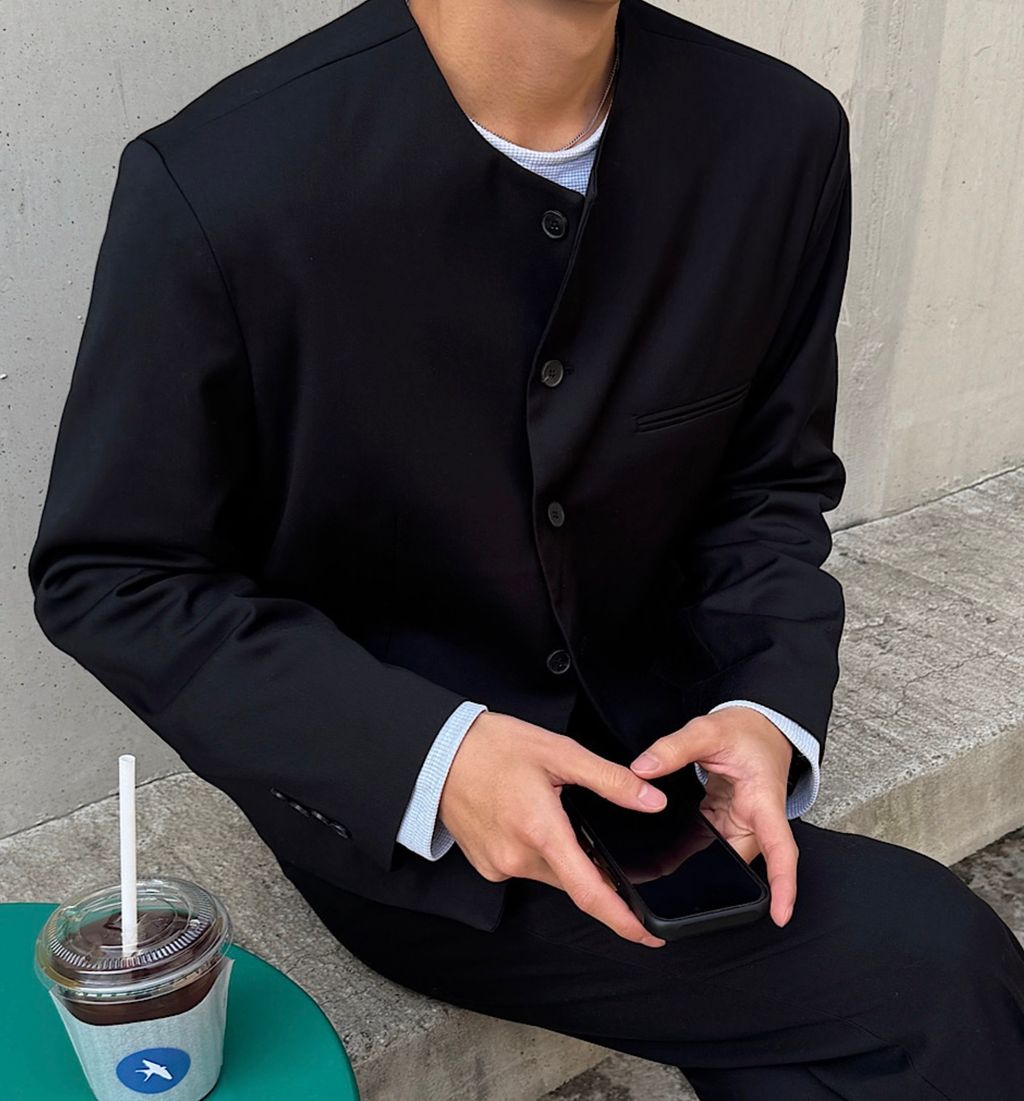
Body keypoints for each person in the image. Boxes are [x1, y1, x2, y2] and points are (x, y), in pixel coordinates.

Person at [28, 0, 1024, 1095]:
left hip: (671, 764)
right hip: (411, 827)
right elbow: (114, 574)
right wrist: (432, 757)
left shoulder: (779, 136)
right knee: (933, 967)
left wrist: (766, 704)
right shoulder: (221, 181)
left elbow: (766, 487)